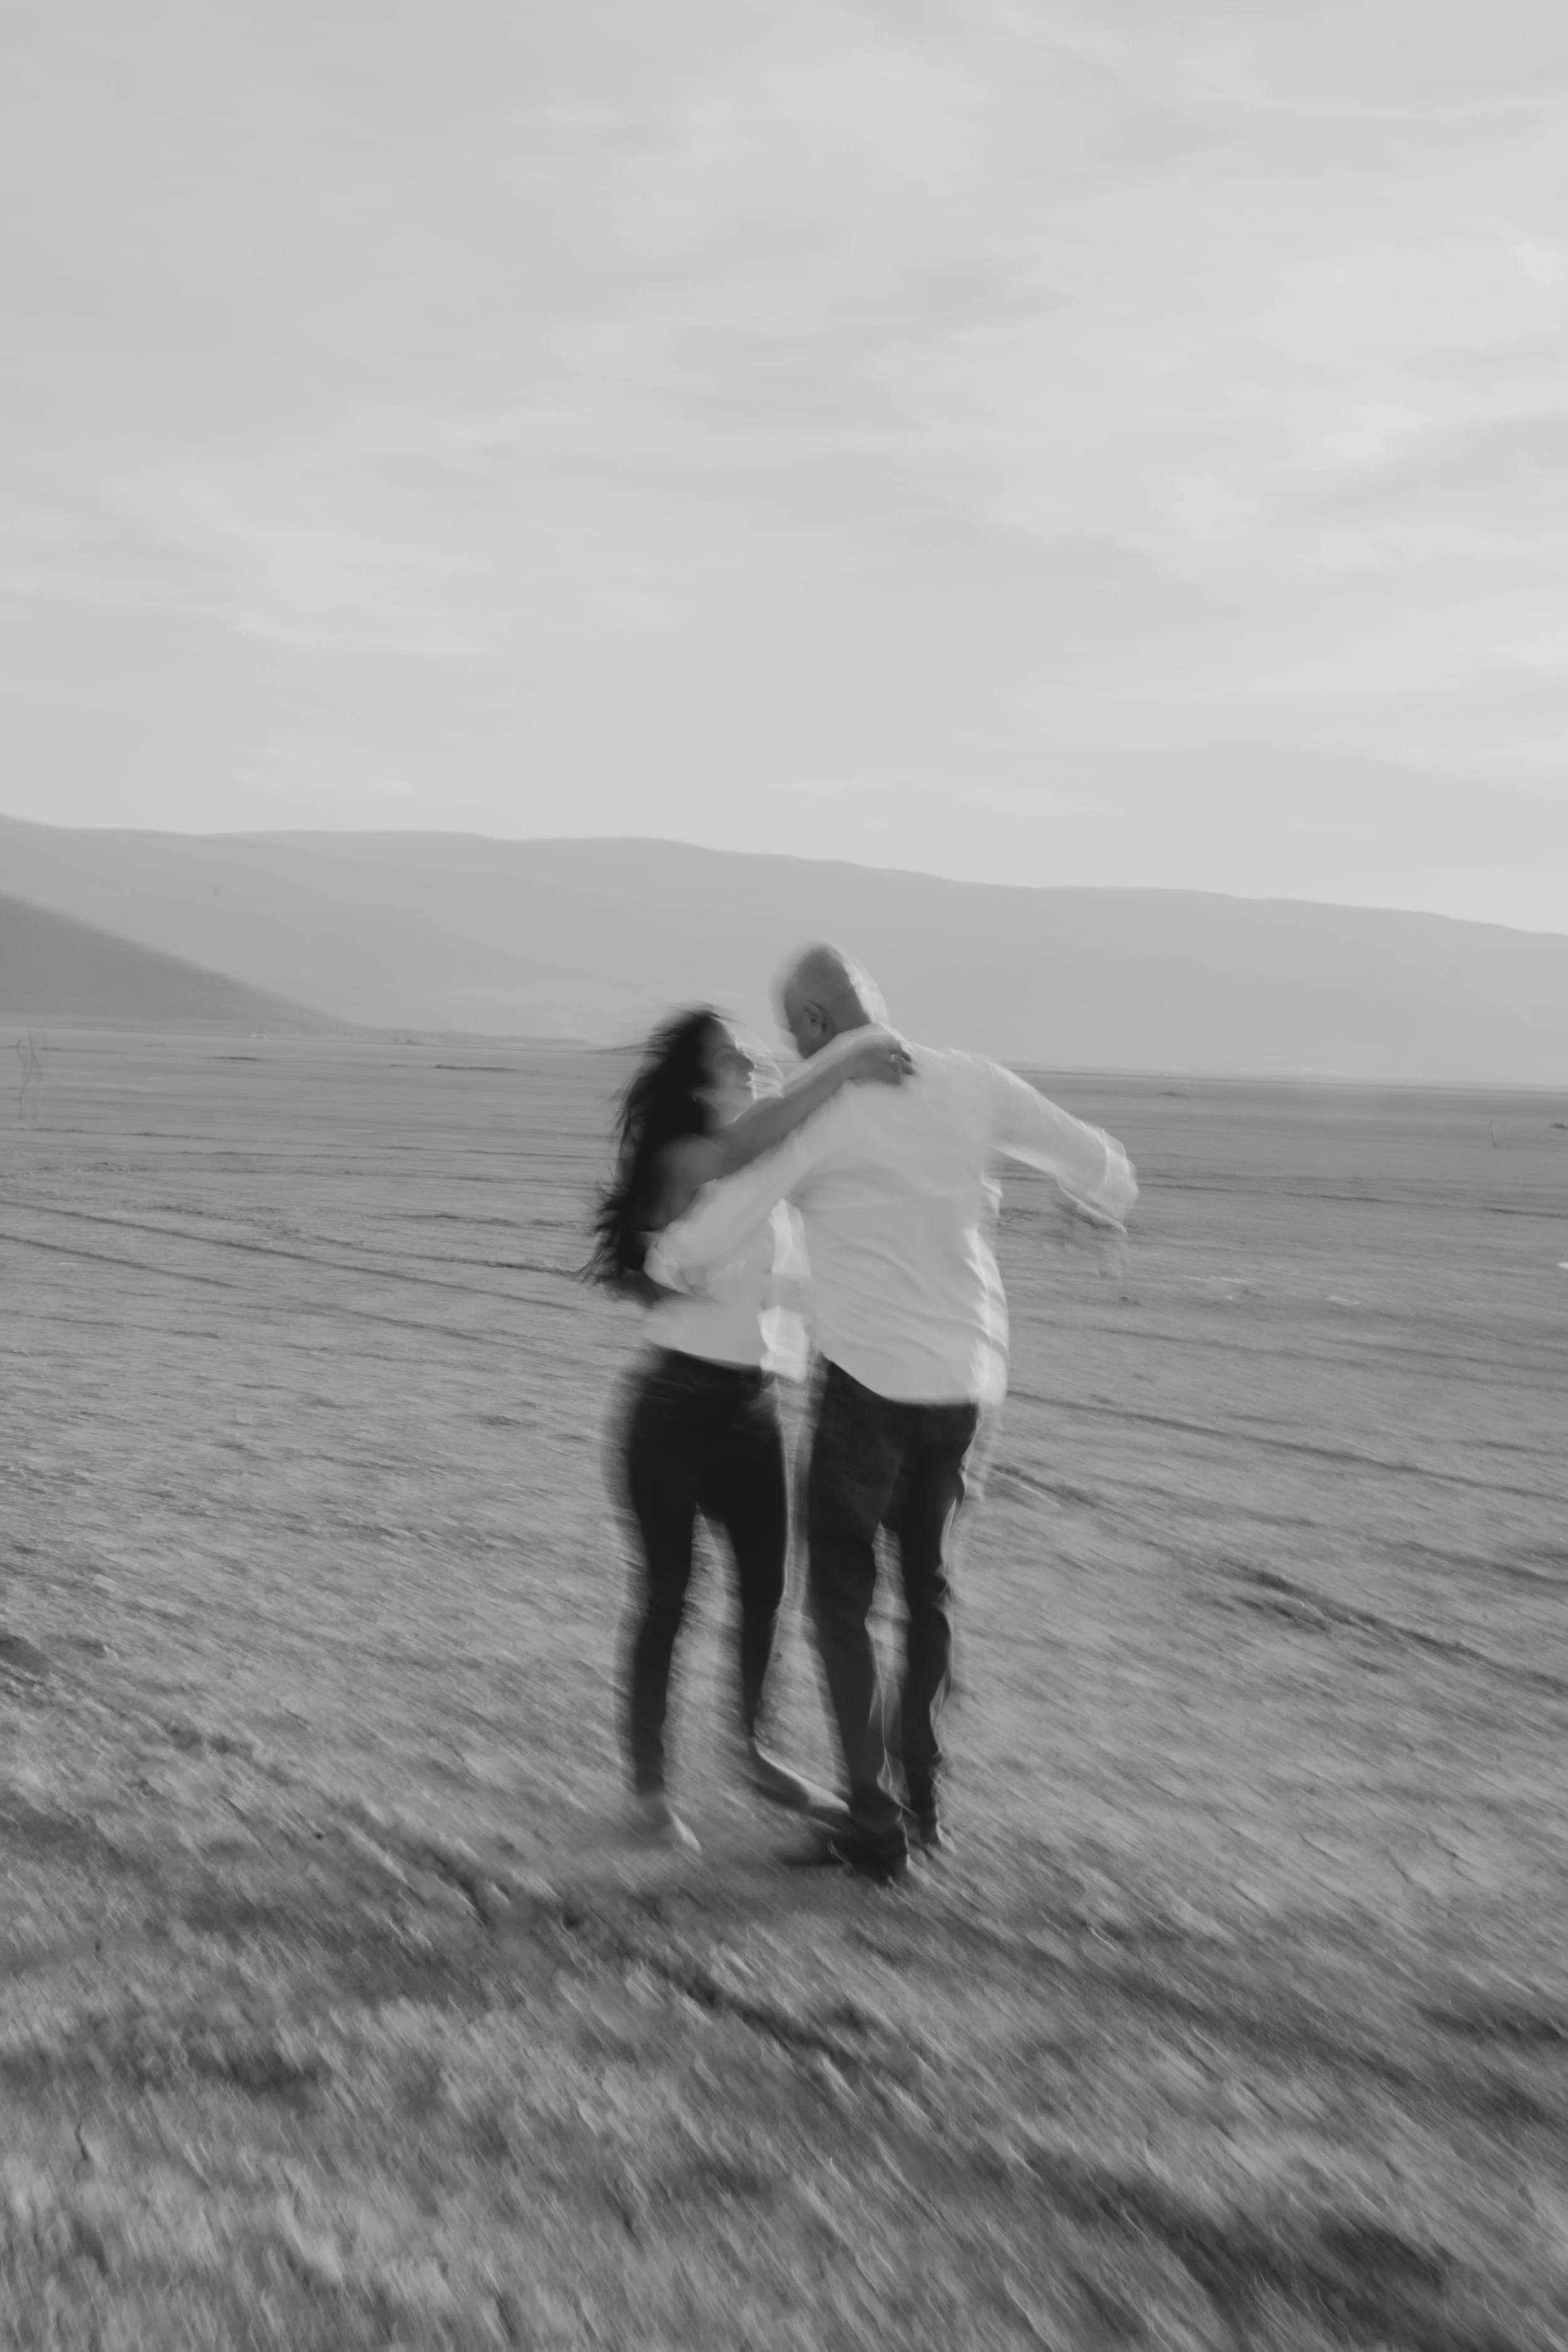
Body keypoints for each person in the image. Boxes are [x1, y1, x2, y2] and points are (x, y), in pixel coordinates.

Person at [645, 946, 1138, 1883]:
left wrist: (671, 1262)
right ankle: (924, 1803)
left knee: (840, 1599)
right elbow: (1102, 1162)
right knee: (930, 1595)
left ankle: (873, 1824)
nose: (790, 1052)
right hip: (969, 1384)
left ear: (821, 1027)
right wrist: (1094, 1204)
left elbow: (714, 1230)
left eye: (795, 1033)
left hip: (871, 1386)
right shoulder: (974, 1082)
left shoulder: (827, 1112)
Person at [585, 1003, 914, 1854]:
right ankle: (649, 1792)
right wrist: (846, 1061)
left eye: (753, 1059)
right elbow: (754, 1142)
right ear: (699, 1080)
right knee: (666, 1597)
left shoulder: (766, 1179)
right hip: (672, 1411)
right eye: (734, 1060)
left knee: (765, 1589)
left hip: (752, 1407)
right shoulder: (689, 1155)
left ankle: (753, 1749)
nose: (753, 1068)